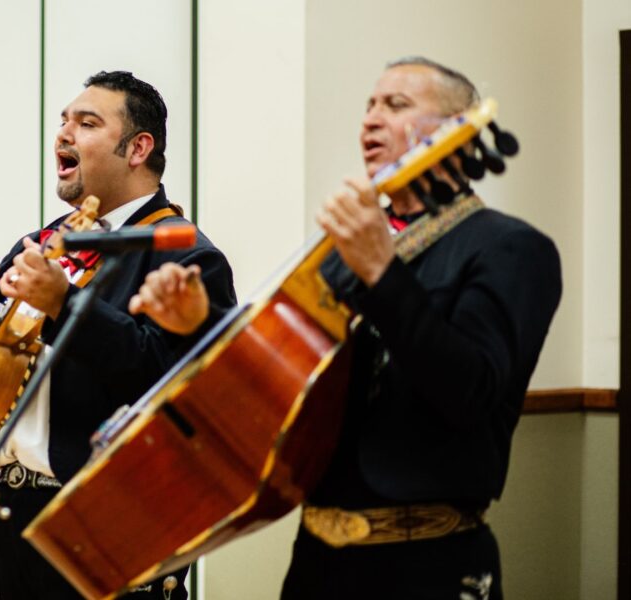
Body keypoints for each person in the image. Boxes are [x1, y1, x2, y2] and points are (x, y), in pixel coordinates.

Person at [129, 57, 562, 599]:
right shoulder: (345, 252)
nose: (371, 121)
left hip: (430, 562)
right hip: (317, 560)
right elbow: (287, 362)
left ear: (459, 129)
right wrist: (200, 323)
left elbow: (472, 391)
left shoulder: (511, 249)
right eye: (370, 106)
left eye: (397, 105)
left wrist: (383, 274)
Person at [0, 71, 237, 599]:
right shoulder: (44, 242)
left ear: (138, 148)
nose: (63, 134)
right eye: (63, 121)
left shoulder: (183, 253)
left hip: (110, 518)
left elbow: (167, 380)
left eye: (86, 123)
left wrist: (64, 305)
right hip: (12, 512)